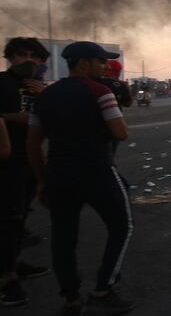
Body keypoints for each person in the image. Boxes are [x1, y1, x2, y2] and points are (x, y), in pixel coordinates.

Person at [27, 42, 134, 315]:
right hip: (96, 171)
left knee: (63, 236)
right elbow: (121, 132)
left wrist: (41, 182)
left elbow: (33, 144)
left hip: (58, 174)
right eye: (100, 61)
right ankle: (103, 289)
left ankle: (71, 297)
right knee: (122, 226)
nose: (105, 66)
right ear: (84, 63)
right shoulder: (101, 91)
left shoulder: (44, 97)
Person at [0, 38, 51, 307]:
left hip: (29, 159)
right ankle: (6, 279)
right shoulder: (2, 83)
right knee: (7, 217)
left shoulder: (38, 88)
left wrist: (44, 96)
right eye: (21, 55)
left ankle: (14, 262)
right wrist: (10, 117)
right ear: (10, 57)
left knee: (20, 216)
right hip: (5, 160)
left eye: (35, 56)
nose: (28, 60)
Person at [96, 60, 132, 159]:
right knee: (109, 154)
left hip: (93, 124)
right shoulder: (120, 85)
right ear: (118, 72)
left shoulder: (94, 82)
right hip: (114, 121)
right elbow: (128, 103)